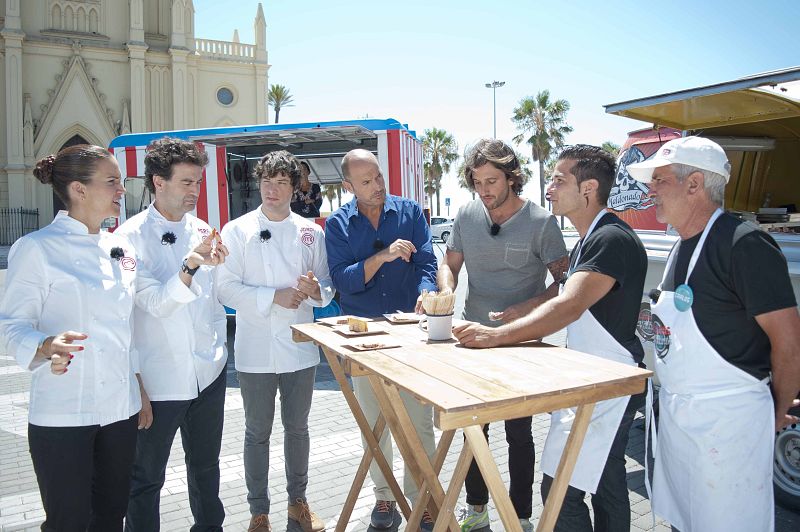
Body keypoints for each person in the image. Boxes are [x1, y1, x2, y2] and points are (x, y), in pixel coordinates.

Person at [0, 145, 225, 532]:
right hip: (65, 411)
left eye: (120, 181)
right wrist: (44, 344)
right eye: (112, 181)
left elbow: (140, 314)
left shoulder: (117, 248)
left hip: (119, 411)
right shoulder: (37, 248)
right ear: (78, 189)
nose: (121, 189)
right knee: (68, 522)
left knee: (110, 517)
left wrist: (190, 266)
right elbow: (10, 326)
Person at [625, 136, 800, 532]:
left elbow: (790, 345)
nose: (650, 190)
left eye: (660, 180)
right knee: (685, 521)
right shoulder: (678, 248)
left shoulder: (745, 245)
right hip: (680, 421)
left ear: (695, 184)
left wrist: (771, 412)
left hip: (729, 425)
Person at [217, 150, 333, 532]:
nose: (273, 189)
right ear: (258, 183)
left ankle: (298, 501)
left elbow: (327, 289)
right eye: (267, 181)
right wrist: (273, 297)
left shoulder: (311, 231)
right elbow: (225, 289)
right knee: (256, 432)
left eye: (282, 182)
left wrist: (316, 291)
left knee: (297, 429)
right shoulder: (236, 230)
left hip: (300, 349)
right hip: (255, 351)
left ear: (294, 187)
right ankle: (258, 512)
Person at [118, 137, 229, 532]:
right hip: (159, 380)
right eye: (186, 182)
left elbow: (216, 300)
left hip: (207, 375)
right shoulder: (127, 238)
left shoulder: (203, 228)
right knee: (146, 479)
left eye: (198, 182)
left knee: (206, 471)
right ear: (157, 182)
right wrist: (191, 263)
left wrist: (219, 351)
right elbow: (154, 303)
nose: (195, 191)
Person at [325, 148, 438, 530]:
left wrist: (424, 292)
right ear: (348, 186)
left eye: (379, 178)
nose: (377, 187)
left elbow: (427, 263)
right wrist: (383, 257)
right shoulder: (337, 225)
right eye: (367, 182)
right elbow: (342, 280)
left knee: (419, 423)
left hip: (410, 337)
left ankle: (422, 498)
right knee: (374, 425)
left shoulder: (410, 212)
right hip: (363, 339)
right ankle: (385, 499)